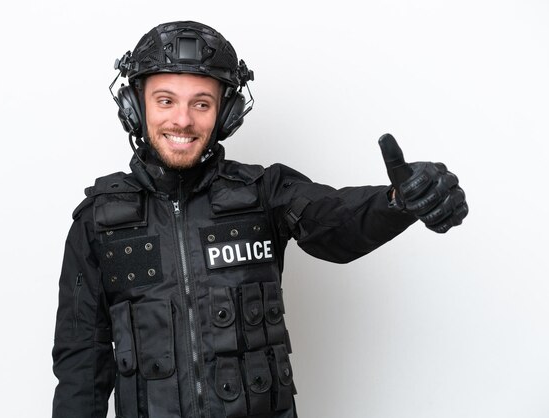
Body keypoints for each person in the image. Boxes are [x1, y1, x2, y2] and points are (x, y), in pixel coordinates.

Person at [52, 20, 468, 418]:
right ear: (135, 107)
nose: (182, 120)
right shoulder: (98, 224)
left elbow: (335, 222)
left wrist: (399, 201)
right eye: (165, 101)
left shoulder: (265, 193)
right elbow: (80, 369)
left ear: (226, 114)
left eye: (202, 103)